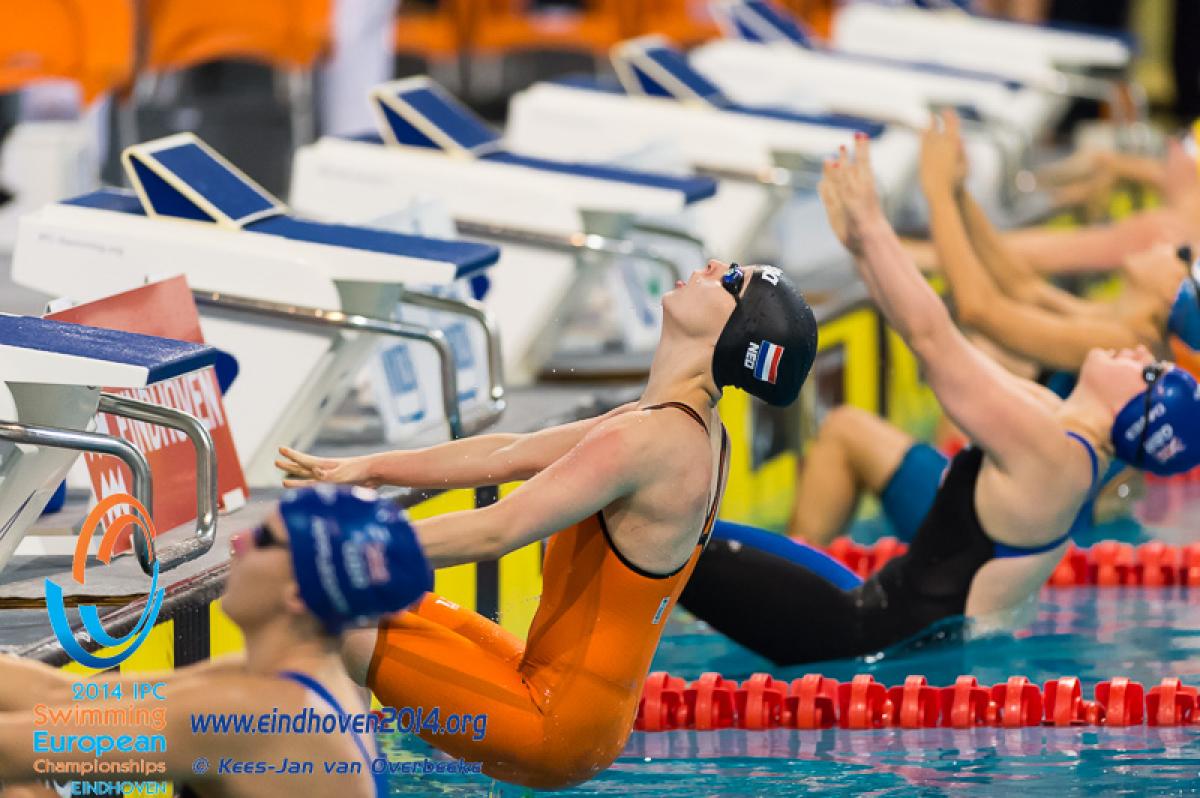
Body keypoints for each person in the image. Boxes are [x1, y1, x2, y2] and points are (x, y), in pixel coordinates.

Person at [275, 259, 819, 789]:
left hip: (547, 719)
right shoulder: (681, 429)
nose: (712, 265)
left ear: (733, 336)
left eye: (729, 282)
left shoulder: (650, 443)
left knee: (320, 612)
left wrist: (340, 549)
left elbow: (498, 530)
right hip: (571, 712)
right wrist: (371, 468)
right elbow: (511, 452)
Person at [677, 133, 1200, 667]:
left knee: (666, 544)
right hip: (875, 618)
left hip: (865, 642)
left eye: (1150, 371)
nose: (1140, 352)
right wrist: (862, 245)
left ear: (1139, 415)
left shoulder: (1053, 454)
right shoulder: (1056, 423)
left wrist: (878, 224)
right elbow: (928, 339)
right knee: (679, 537)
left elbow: (938, 341)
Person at [788, 110, 1200, 547]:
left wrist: (937, 194)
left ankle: (792, 580)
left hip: (1003, 530)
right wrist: (960, 193)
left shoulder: (1121, 343)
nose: (1169, 247)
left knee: (843, 430)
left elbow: (978, 308)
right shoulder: (1125, 333)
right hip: (1038, 523)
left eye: (1180, 256)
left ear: (1174, 296)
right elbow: (1019, 285)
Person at [0, 486, 431, 798]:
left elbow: (13, 748)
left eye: (262, 540)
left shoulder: (257, 709)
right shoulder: (276, 683)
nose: (237, 542)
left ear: (297, 593)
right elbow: (63, 695)